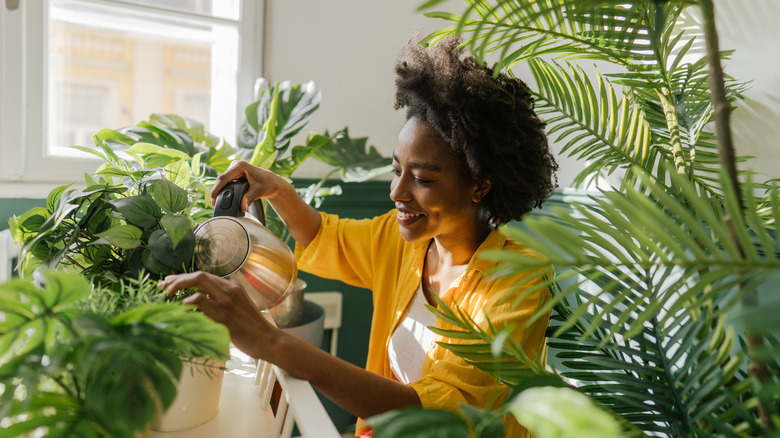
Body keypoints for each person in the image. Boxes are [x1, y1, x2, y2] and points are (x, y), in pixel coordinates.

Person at [159, 35, 558, 437]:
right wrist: (279, 189)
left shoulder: (518, 281)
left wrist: (271, 342)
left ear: (480, 185)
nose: (397, 192)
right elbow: (325, 237)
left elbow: (439, 416)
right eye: (396, 170)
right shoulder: (404, 242)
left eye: (421, 178)